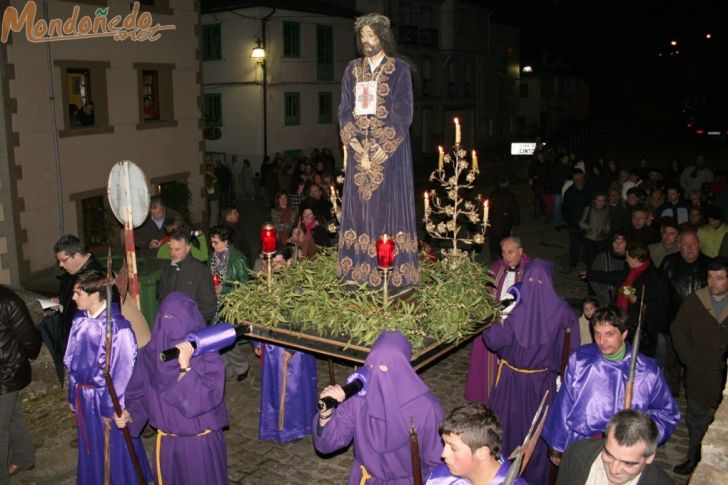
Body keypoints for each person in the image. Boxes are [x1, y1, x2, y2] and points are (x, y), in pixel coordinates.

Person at [337, 12, 420, 289]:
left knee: (388, 210)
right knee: (360, 212)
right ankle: (357, 270)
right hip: (360, 156)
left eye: (371, 35)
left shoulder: (399, 70)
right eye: (362, 37)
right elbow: (344, 111)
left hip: (390, 158)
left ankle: (392, 274)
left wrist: (384, 146)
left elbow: (403, 112)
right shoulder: (352, 70)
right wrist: (356, 145)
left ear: (382, 37)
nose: (366, 41)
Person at [113, 292, 229, 485]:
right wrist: (129, 414)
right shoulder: (151, 355)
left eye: (177, 320)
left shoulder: (207, 355)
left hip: (199, 446)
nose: (170, 327)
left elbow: (204, 399)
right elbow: (140, 395)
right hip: (167, 444)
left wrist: (186, 368)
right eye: (165, 319)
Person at [482, 259, 580, 485]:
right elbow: (569, 350)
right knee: (531, 431)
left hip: (512, 380)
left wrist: (499, 315)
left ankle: (502, 476)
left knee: (511, 428)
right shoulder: (563, 311)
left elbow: (494, 340)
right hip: (540, 383)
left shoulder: (516, 307)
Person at [542, 306, 678, 459]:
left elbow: (666, 414)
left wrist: (638, 438)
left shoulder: (647, 371)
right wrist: (557, 446)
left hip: (625, 449)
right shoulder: (581, 359)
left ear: (624, 334)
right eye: (597, 334)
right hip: (582, 444)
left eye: (609, 334)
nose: (601, 341)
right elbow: (564, 404)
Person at [314, 330, 444, 484]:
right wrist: (326, 413)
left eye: (385, 366)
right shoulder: (358, 397)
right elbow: (327, 444)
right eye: (372, 364)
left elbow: (436, 463)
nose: (377, 371)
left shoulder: (426, 408)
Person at [63, 270, 153, 484]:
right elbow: (71, 361)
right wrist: (72, 394)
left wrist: (111, 409)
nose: (73, 298)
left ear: (94, 294)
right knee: (91, 447)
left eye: (78, 293)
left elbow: (122, 373)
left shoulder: (118, 328)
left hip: (105, 400)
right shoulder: (78, 320)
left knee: (113, 450)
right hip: (84, 398)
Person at [670, 259, 728, 475]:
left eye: (719, 278)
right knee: (696, 418)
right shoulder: (695, 301)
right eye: (710, 278)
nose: (713, 283)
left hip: (724, 378)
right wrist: (689, 358)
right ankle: (694, 457)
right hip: (699, 374)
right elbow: (678, 330)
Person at [465, 237, 531, 404]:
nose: (506, 257)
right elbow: (485, 293)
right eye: (503, 252)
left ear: (520, 252)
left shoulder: (530, 270)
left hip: (517, 326)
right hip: (496, 323)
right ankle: (489, 395)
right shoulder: (496, 269)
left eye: (511, 252)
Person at [581, 242, 668, 358]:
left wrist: (636, 301)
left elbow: (658, 307)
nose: (626, 260)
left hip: (640, 330)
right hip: (624, 322)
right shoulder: (630, 271)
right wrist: (590, 274)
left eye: (628, 257)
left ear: (636, 259)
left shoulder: (654, 278)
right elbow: (613, 277)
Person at [556, 410, 674, 485]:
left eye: (628, 463)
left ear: (649, 457)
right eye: (609, 455)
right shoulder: (576, 454)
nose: (614, 470)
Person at [658, 231, 709, 397]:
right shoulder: (669, 263)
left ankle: (692, 392)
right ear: (679, 247)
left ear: (699, 245)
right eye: (685, 245)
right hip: (673, 323)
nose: (689, 248)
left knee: (695, 362)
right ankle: (671, 395)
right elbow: (660, 292)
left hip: (701, 325)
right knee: (672, 361)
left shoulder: (710, 265)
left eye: (693, 244)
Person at [0, 285, 43, 482]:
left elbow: (30, 337)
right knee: (12, 416)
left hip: (6, 372)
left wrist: (29, 355)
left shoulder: (8, 301)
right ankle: (24, 458)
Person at [426, 403, 527, 485]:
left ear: (482, 452)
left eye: (453, 448)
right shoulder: (441, 478)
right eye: (444, 444)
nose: (443, 454)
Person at [209, 225, 250, 382]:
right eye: (212, 242)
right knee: (219, 339)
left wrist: (224, 289)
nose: (213, 246)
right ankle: (228, 369)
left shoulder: (238, 260)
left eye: (216, 242)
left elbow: (245, 287)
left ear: (226, 242)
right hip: (216, 304)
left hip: (231, 306)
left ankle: (241, 366)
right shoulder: (212, 257)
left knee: (225, 337)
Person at [157, 229, 217, 322]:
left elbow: (209, 306)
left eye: (177, 249)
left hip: (192, 327)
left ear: (188, 248)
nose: (172, 253)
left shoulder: (200, 271)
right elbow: (161, 296)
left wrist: (191, 322)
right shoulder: (168, 269)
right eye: (171, 249)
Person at [562, 169, 593, 267]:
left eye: (580, 179)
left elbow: (592, 205)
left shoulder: (588, 190)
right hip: (574, 223)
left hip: (587, 222)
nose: (579, 181)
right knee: (574, 242)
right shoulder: (569, 192)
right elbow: (565, 210)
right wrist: (573, 222)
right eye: (577, 179)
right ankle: (574, 260)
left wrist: (587, 221)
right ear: (574, 179)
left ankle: (585, 258)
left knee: (586, 242)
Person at [588, 232, 627, 306]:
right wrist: (602, 293)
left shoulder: (631, 259)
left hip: (623, 300)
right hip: (605, 299)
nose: (618, 244)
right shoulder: (602, 257)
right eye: (615, 241)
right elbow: (593, 276)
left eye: (621, 242)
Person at [486, 178, 520, 262]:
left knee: (494, 239)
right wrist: (516, 222)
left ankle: (494, 254)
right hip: (505, 221)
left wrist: (487, 220)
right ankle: (502, 255)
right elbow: (514, 210)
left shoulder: (493, 194)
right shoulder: (510, 195)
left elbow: (488, 208)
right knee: (504, 239)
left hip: (494, 220)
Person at [579, 192, 610, 269]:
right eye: (599, 200)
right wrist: (590, 227)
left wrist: (605, 229)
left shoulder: (607, 210)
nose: (601, 202)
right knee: (590, 259)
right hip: (589, 237)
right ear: (595, 200)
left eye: (603, 200)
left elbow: (608, 223)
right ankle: (590, 275)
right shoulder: (589, 208)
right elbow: (581, 222)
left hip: (601, 238)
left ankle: (596, 276)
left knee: (599, 259)